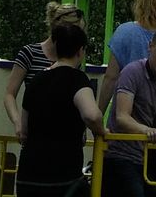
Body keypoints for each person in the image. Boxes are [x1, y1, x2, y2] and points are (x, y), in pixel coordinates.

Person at [17, 19, 106, 197]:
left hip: (28, 174)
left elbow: (24, 128)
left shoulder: (36, 81)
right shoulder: (77, 79)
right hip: (62, 176)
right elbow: (92, 115)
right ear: (80, 51)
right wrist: (101, 131)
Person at [102, 27, 156, 197]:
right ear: (150, 47)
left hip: (141, 159)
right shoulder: (132, 72)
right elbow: (122, 117)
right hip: (117, 155)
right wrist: (147, 130)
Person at [6, 1, 83, 132]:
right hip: (35, 129)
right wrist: (18, 122)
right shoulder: (30, 53)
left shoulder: (73, 58)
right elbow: (9, 93)